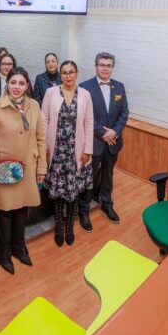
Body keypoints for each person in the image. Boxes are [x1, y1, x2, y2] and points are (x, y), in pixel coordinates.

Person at [0, 67, 47, 274]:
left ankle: (19, 248)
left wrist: (42, 166)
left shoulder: (34, 105)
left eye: (21, 83)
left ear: (27, 85)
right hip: (4, 169)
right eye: (13, 82)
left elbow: (41, 137)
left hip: (28, 166)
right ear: (7, 84)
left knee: (21, 210)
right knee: (4, 212)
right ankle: (2, 254)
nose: (17, 87)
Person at [42, 61, 94, 247]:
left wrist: (88, 150)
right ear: (60, 75)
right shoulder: (51, 92)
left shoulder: (85, 94)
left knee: (73, 190)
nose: (68, 75)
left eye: (71, 72)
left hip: (76, 151)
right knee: (57, 191)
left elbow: (89, 123)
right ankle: (59, 225)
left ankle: (69, 226)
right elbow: (44, 120)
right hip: (56, 150)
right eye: (64, 72)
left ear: (77, 73)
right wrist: (44, 147)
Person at [78, 53, 129, 230]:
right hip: (93, 142)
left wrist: (115, 131)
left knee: (108, 175)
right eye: (102, 65)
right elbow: (83, 116)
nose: (105, 68)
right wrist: (103, 133)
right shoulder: (84, 87)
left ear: (112, 67)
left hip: (113, 141)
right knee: (89, 178)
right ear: (96, 66)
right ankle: (83, 210)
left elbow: (124, 113)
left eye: (108, 65)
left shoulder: (119, 87)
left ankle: (106, 203)